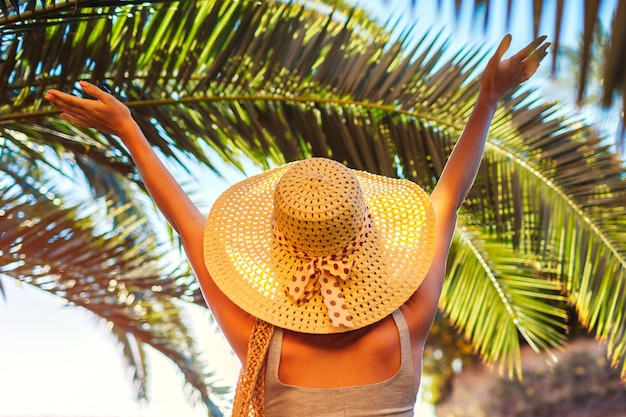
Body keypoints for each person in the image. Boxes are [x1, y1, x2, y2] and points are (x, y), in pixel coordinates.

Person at [45, 33, 550, 417]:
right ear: (366, 236)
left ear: (279, 248)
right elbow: (446, 200)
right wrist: (487, 100)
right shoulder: (407, 330)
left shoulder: (263, 349)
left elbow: (187, 225)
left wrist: (129, 131)